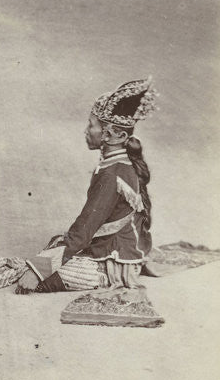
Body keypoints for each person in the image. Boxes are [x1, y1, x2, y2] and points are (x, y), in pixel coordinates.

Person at [16, 78, 158, 294]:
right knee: (54, 245)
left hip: (115, 258)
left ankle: (106, 275)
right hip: (123, 244)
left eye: (91, 125)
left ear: (115, 136)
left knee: (40, 279)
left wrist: (37, 272)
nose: (86, 130)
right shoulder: (115, 164)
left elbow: (85, 228)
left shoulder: (112, 174)